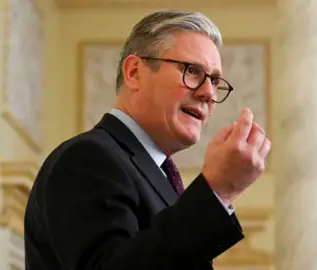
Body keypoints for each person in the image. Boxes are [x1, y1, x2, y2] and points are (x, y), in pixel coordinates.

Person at [24, 10, 271, 270]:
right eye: (191, 71)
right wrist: (216, 190)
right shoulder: (88, 159)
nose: (209, 93)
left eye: (214, 81)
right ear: (133, 72)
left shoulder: (156, 174)